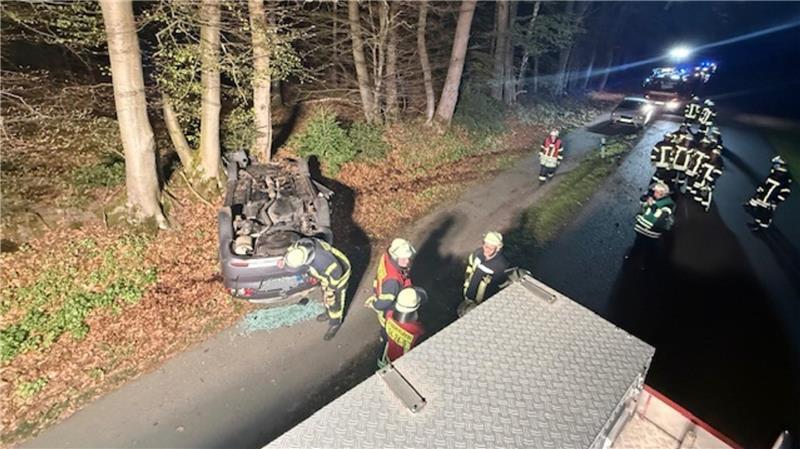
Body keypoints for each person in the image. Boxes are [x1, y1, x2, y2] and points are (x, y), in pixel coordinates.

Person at [283, 238, 351, 341]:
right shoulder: (301, 246)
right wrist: (285, 260)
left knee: (334, 302)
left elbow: (336, 274)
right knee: (324, 294)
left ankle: (335, 323)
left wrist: (331, 290)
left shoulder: (322, 261)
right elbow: (292, 249)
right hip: (326, 276)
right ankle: (328, 313)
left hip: (337, 278)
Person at [365, 238, 416, 326]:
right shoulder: (393, 282)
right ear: (395, 257)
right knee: (389, 327)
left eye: (407, 258)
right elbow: (384, 303)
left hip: (381, 291)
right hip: (390, 310)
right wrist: (375, 305)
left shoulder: (387, 255)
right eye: (403, 259)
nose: (407, 261)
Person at [459, 231, 509, 316]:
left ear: (498, 248)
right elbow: (470, 266)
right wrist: (467, 280)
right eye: (486, 246)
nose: (487, 250)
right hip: (468, 294)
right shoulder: (477, 253)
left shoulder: (500, 265)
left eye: (491, 248)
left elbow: (501, 284)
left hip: (483, 301)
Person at [377, 287, 427, 369]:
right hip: (404, 365)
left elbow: (385, 335)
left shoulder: (389, 315)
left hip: (388, 357)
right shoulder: (417, 331)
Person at [629, 182, 675, 269]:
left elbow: (661, 216)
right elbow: (643, 203)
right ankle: (632, 257)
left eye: (656, 192)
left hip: (652, 233)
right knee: (637, 244)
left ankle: (646, 265)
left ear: (661, 193)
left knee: (649, 248)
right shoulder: (654, 198)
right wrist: (645, 199)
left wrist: (652, 205)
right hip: (642, 229)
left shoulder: (668, 205)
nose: (654, 193)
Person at [745, 156, 793, 231]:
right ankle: (756, 224)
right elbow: (765, 184)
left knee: (766, 215)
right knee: (759, 212)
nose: (773, 165)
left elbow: (785, 192)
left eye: (775, 164)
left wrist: (775, 200)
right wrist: (759, 192)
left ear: (778, 165)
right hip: (763, 198)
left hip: (770, 201)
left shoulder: (785, 178)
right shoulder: (774, 173)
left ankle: (762, 229)